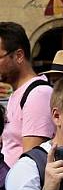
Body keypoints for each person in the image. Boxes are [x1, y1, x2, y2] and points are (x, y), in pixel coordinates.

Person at [0, 22, 53, 168]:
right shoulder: (18, 92)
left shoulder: (38, 94)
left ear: (18, 56)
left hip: (19, 188)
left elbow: (32, 162)